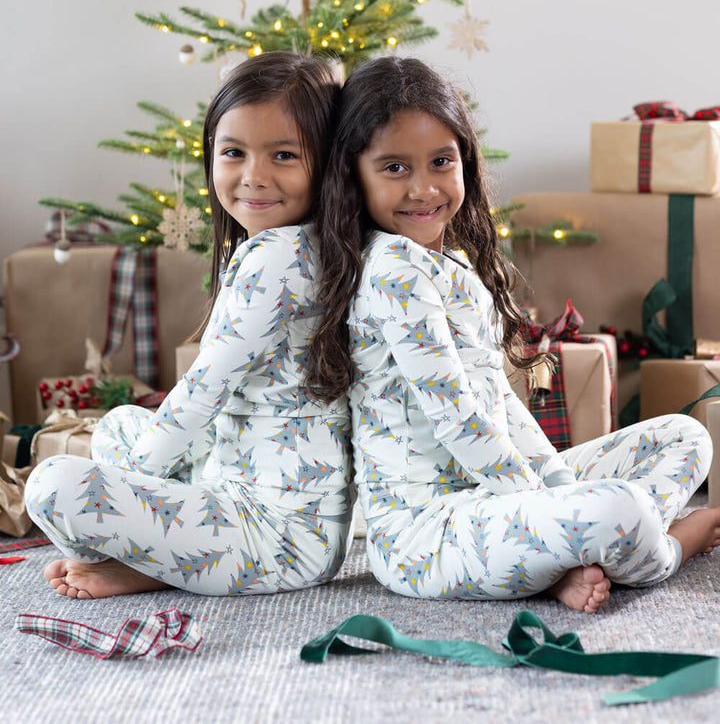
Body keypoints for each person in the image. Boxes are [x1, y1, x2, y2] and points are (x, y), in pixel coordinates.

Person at [314, 55, 719, 613]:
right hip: (426, 536)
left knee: (683, 437)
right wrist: (549, 507)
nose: (424, 188)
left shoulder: (449, 264)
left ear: (465, 162)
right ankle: (668, 548)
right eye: (394, 168)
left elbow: (500, 402)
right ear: (353, 174)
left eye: (440, 162)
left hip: (497, 497)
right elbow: (460, 419)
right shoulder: (393, 271)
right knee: (618, 511)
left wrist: (555, 494)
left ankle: (557, 559)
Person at [26, 52, 355, 599]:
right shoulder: (291, 247)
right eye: (233, 153)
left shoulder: (280, 258)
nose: (254, 176)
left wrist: (131, 481)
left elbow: (202, 393)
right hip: (235, 491)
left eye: (284, 154)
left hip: (276, 537)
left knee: (53, 485)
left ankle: (149, 561)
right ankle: (158, 556)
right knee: (118, 426)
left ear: (325, 164)